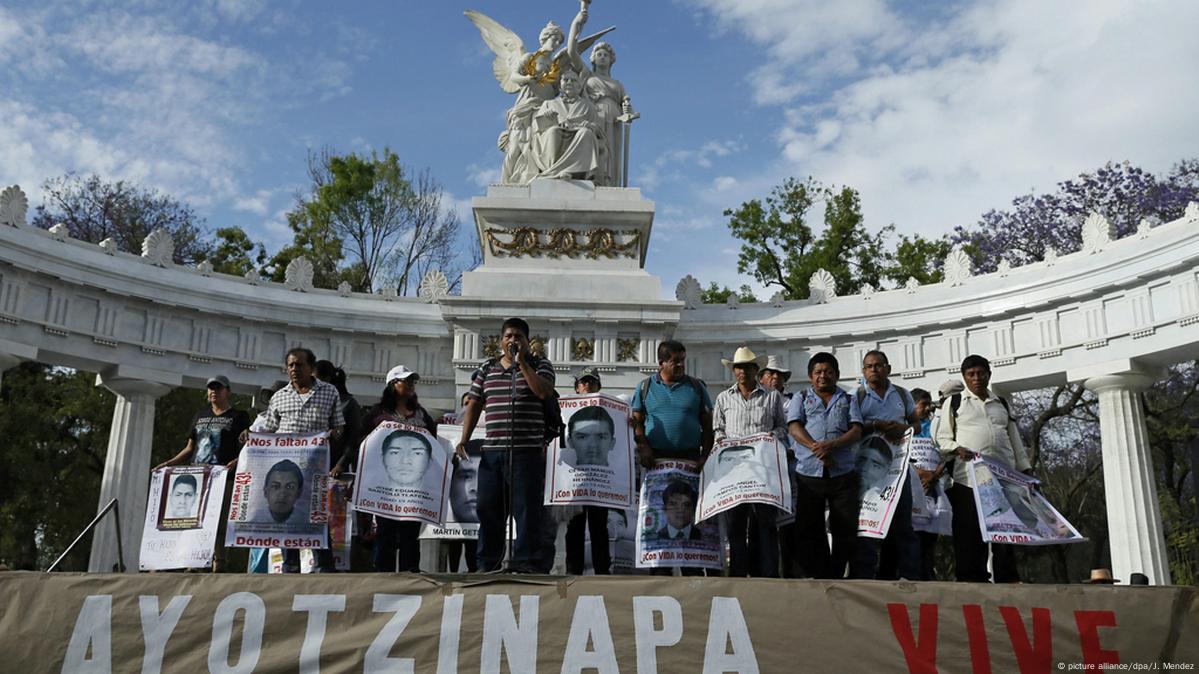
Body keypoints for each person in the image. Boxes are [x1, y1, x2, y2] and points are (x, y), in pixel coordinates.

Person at [456, 317, 556, 573]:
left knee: (526, 512)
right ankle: (487, 563)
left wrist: (522, 363)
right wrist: (464, 438)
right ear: (501, 341)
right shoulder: (487, 369)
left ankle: (527, 563)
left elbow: (544, 392)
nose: (513, 340)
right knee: (488, 511)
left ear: (527, 341)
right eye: (508, 336)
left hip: (527, 453)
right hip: (493, 453)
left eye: (518, 337)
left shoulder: (540, 364)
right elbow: (475, 403)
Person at [935, 354, 1032, 583]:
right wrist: (957, 449)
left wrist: (1025, 470)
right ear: (964, 377)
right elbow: (942, 439)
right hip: (968, 479)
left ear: (989, 375)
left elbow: (1014, 440)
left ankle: (1007, 579)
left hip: (1003, 479)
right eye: (971, 374)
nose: (976, 378)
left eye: (981, 373)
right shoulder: (955, 402)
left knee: (1006, 531)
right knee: (970, 533)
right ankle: (972, 580)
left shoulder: (1002, 403)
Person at [256, 348, 345, 573]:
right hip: (286, 468)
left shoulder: (329, 392)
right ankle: (290, 565)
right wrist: (251, 436)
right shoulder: (279, 397)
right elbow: (268, 430)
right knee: (290, 515)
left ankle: (324, 564)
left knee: (317, 513)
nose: (294, 369)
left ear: (311, 367)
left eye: (299, 365)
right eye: (290, 365)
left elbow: (339, 425)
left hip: (315, 466)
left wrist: (333, 434)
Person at [631, 340, 714, 576]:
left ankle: (692, 571)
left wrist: (705, 456)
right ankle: (660, 571)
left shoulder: (696, 387)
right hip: (656, 461)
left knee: (689, 513)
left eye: (682, 360)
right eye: (675, 361)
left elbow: (707, 426)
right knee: (660, 512)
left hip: (690, 462)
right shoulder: (644, 387)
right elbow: (636, 421)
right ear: (661, 363)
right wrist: (643, 447)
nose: (680, 365)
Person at [154, 374, 250, 570]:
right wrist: (168, 463)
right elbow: (190, 447)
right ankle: (196, 560)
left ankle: (219, 561)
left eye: (219, 388)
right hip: (197, 476)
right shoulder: (200, 415)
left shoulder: (239, 416)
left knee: (220, 520)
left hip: (224, 476)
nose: (214, 391)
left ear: (228, 391)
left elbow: (249, 447)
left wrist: (237, 461)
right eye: (211, 388)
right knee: (197, 519)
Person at [347, 365, 437, 573]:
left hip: (413, 487)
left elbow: (434, 442)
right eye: (406, 381)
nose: (411, 385)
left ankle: (410, 572)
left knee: (410, 531)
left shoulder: (421, 414)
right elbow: (360, 442)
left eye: (413, 381)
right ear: (392, 385)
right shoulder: (378, 414)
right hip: (385, 487)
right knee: (386, 530)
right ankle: (383, 574)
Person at [712, 346, 787, 577]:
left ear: (756, 370)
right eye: (738, 367)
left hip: (763, 472)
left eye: (746, 367)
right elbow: (717, 429)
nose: (741, 371)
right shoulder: (723, 398)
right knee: (736, 526)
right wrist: (723, 441)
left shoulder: (772, 396)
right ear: (733, 371)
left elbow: (782, 428)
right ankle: (737, 576)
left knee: (765, 524)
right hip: (734, 472)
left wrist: (769, 438)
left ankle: (768, 575)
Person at [787, 352, 863, 579]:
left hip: (842, 474)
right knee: (808, 528)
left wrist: (833, 445)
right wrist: (817, 448)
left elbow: (856, 429)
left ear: (837, 375)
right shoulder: (801, 397)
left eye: (828, 372)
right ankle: (811, 577)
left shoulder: (849, 399)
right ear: (811, 376)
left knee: (845, 528)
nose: (823, 376)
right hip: (809, 473)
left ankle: (837, 576)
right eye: (818, 372)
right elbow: (794, 427)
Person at [852, 350, 922, 581]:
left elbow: (916, 424)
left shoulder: (901, 394)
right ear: (863, 371)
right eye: (869, 366)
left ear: (888, 368)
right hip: (867, 471)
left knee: (903, 525)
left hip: (897, 471)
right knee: (867, 525)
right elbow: (852, 429)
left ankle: (909, 577)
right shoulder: (857, 396)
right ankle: (864, 579)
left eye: (879, 365)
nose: (874, 370)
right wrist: (876, 425)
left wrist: (902, 429)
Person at [566, 5, 634, 186]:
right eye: (598, 54)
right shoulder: (587, 75)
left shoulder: (618, 84)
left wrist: (627, 109)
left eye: (606, 54)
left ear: (612, 60)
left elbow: (627, 107)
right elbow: (571, 51)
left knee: (611, 152)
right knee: (594, 147)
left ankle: (608, 183)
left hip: (613, 119)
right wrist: (577, 22)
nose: (602, 57)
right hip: (593, 114)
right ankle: (590, 178)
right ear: (593, 59)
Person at [564, 367, 612, 575]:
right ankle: (573, 571)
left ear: (598, 386)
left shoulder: (610, 411)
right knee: (574, 527)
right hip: (575, 480)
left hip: (600, 480)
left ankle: (602, 571)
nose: (587, 386)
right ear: (576, 387)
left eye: (591, 382)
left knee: (599, 527)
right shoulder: (566, 411)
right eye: (583, 382)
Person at [530, 68, 602, 180]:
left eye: (573, 80)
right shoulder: (549, 103)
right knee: (553, 131)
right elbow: (536, 126)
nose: (569, 82)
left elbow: (598, 129)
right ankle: (553, 170)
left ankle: (573, 171)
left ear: (579, 87)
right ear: (560, 86)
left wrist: (589, 125)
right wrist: (546, 117)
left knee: (586, 133)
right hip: (555, 134)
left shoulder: (588, 106)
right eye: (566, 80)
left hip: (577, 137)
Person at [909, 387, 945, 581]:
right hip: (911, 487)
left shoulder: (935, 427)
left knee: (930, 531)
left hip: (932, 488)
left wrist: (934, 475)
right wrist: (919, 473)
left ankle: (927, 571)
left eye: (928, 404)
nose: (927, 408)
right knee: (911, 532)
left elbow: (945, 453)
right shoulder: (904, 427)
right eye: (923, 405)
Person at [262, 460, 305, 524]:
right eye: (275, 486)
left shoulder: (306, 520)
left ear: (299, 493)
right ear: (265, 491)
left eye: (290, 487)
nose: (282, 495)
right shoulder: (253, 518)